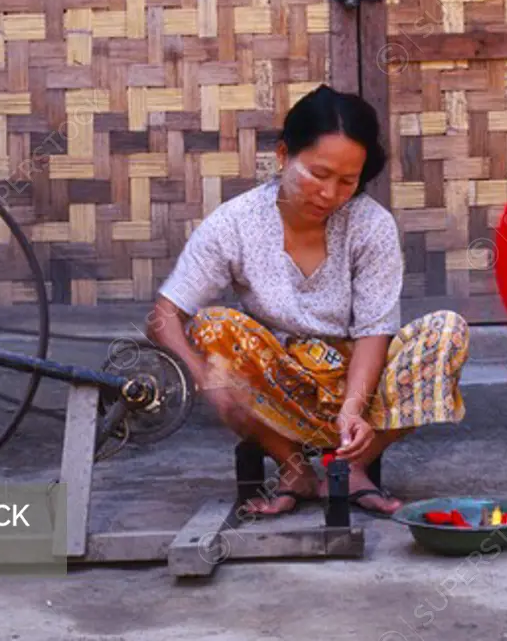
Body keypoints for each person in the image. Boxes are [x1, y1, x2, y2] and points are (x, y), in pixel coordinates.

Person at [145, 84, 470, 518]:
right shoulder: (236, 223)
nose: (330, 193)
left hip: (359, 384)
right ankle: (293, 467)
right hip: (280, 383)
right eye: (318, 174)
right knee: (212, 327)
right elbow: (164, 316)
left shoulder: (371, 225)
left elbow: (375, 328)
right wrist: (209, 383)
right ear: (283, 155)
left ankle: (352, 468)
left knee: (446, 330)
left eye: (347, 182)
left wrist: (353, 408)